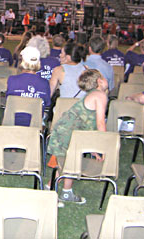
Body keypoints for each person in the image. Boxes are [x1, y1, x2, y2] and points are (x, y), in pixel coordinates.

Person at [46, 69, 109, 204]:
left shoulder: (93, 95)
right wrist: (105, 148)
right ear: (99, 81)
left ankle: (49, 187)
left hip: (67, 132)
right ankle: (65, 193)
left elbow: (87, 125)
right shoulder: (100, 95)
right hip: (67, 134)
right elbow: (100, 123)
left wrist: (92, 150)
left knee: (66, 163)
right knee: (70, 164)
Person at [6, 47, 51, 125]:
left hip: (13, 121)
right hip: (35, 123)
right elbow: (47, 103)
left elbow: (8, 100)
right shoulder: (44, 83)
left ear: (22, 61)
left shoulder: (12, 80)